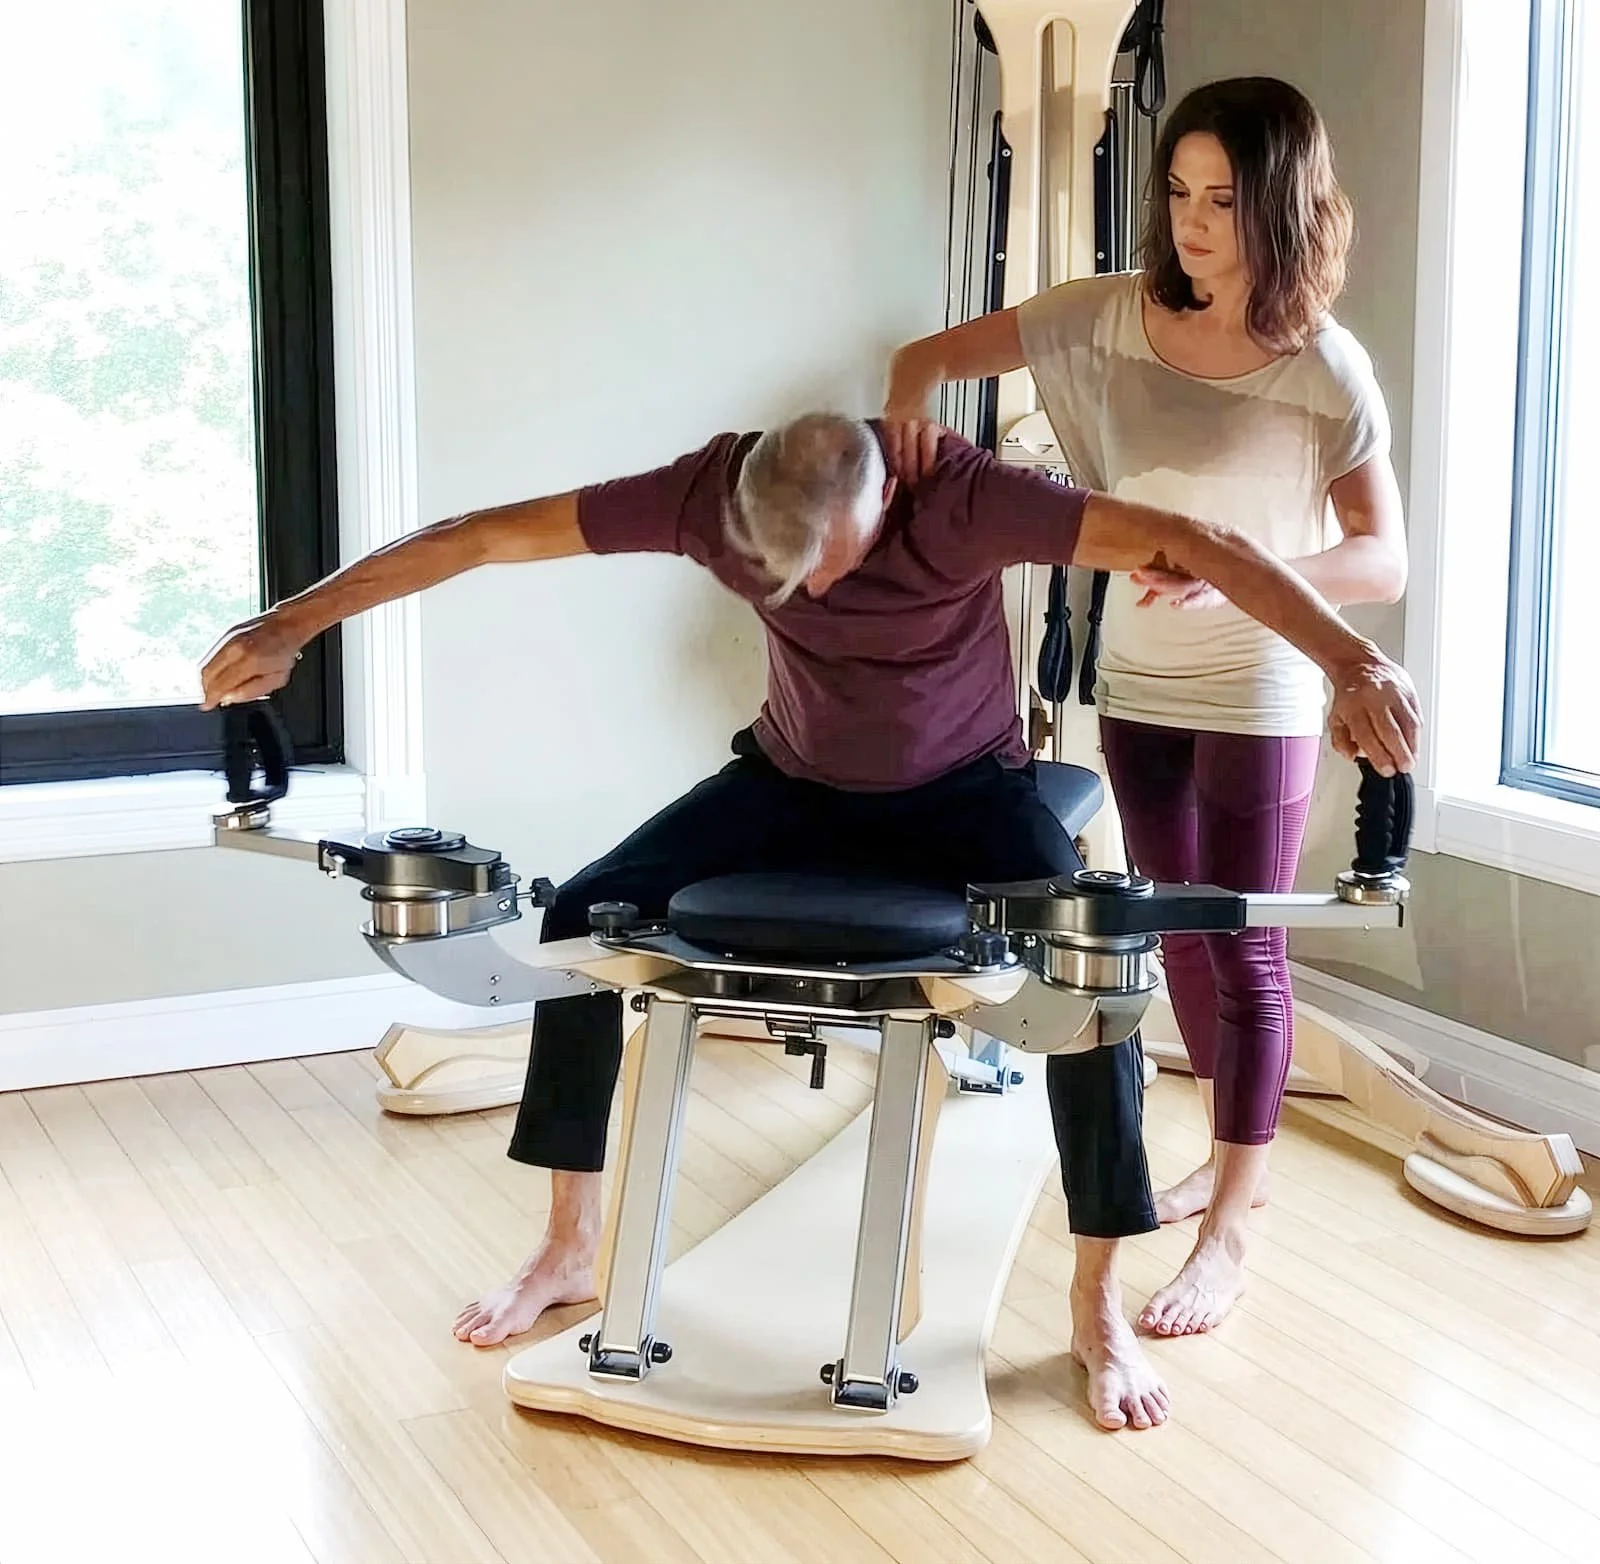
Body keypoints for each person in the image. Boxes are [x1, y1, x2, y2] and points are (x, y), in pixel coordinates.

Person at [198, 409, 1418, 1432]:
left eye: (831, 562)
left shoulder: (968, 496)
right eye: (784, 570)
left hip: (967, 795)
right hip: (788, 784)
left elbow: (1194, 540)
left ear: (886, 501)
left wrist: (1355, 664)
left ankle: (1094, 1304)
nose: (813, 590)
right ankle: (570, 1245)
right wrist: (292, 620)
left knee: (1094, 968)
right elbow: (479, 537)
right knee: (579, 917)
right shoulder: (704, 493)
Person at [883, 76, 1409, 1340]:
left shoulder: (1325, 369)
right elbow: (920, 362)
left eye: (1222, 200)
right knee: (1170, 939)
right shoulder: (1102, 321)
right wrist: (908, 465)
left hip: (1263, 689)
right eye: (1177, 192)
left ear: (1280, 205)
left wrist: (1237, 582)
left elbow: (1382, 559)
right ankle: (1236, 1156)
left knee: (1244, 948)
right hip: (1135, 685)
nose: (1191, 222)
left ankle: (1232, 1216)